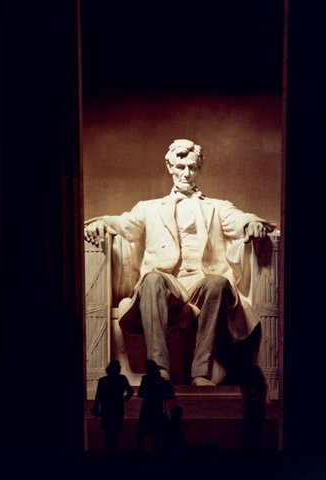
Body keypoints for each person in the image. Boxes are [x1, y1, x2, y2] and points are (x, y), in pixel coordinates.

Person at [84, 139, 275, 386]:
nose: (186, 173)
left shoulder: (217, 207)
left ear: (199, 169)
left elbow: (239, 219)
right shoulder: (149, 208)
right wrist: (102, 223)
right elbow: (124, 224)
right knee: (151, 279)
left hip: (201, 281)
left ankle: (201, 373)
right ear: (170, 167)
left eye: (192, 167)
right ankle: (158, 370)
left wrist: (252, 223)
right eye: (180, 166)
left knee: (218, 283)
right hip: (166, 282)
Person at [91, 360, 134, 451]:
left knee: (107, 433)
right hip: (118, 408)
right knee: (115, 433)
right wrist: (124, 399)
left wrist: (96, 409)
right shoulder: (122, 379)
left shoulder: (103, 381)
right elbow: (130, 391)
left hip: (106, 409)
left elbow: (98, 397)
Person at [136, 359, 174, 450]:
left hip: (147, 407)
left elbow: (140, 393)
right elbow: (169, 394)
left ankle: (141, 451)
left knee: (142, 432)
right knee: (156, 433)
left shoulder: (146, 379)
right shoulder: (161, 381)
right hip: (157, 407)